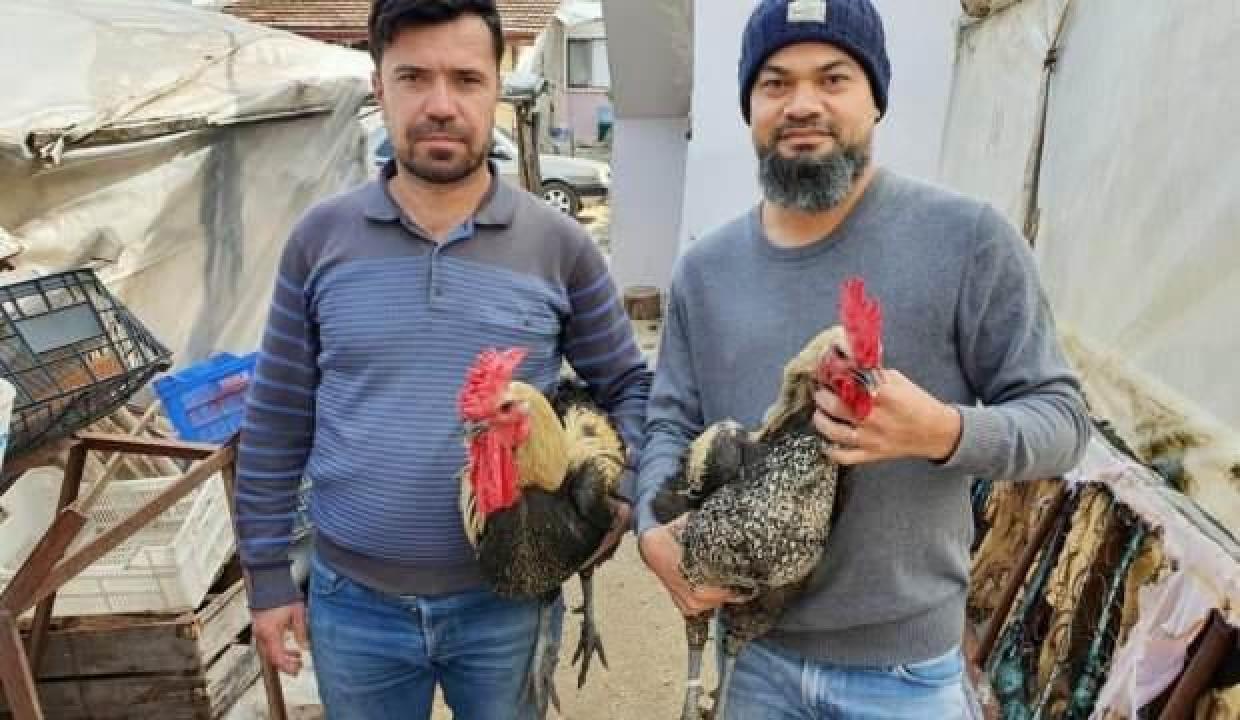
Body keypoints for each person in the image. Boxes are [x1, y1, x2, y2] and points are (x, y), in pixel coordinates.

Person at [635, 0, 1090, 717]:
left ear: (875, 97)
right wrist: (650, 532)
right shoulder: (706, 270)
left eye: (833, 78)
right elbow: (668, 422)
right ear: (749, 106)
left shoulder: (968, 240)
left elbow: (1064, 421)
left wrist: (945, 431)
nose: (802, 104)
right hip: (753, 657)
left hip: (906, 676)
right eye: (775, 83)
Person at [233, 1, 650, 718]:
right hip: (352, 602)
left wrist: (616, 486)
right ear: (378, 86)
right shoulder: (320, 239)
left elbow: (629, 385)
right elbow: (276, 415)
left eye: (466, 79)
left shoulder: (559, 246)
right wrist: (268, 577)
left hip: (510, 598)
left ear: (496, 87)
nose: (441, 105)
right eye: (413, 77)